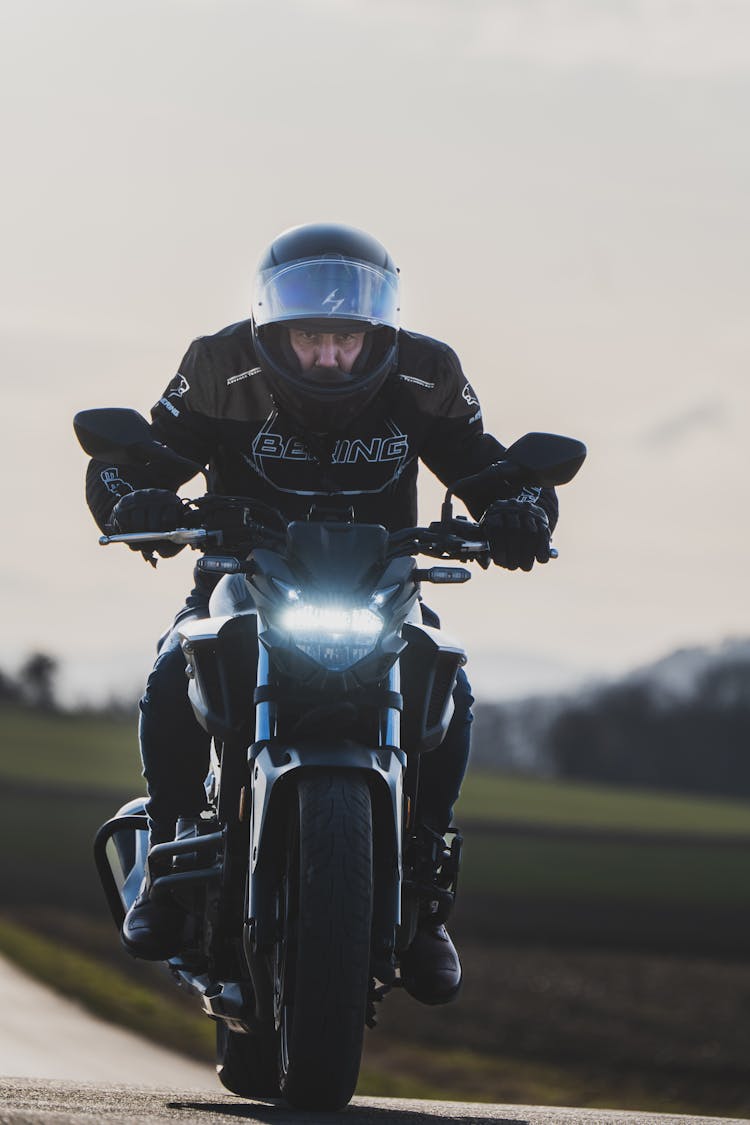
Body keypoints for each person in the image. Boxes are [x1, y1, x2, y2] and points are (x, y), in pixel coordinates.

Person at [84, 222, 556, 1004]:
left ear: (378, 331)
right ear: (275, 328)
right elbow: (138, 455)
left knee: (450, 686)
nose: (330, 355)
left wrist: (522, 511)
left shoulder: (428, 373)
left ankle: (428, 891)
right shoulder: (217, 365)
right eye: (312, 337)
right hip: (243, 577)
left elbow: (489, 466)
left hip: (381, 585)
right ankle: (165, 862)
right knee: (176, 669)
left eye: (347, 337)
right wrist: (134, 496)